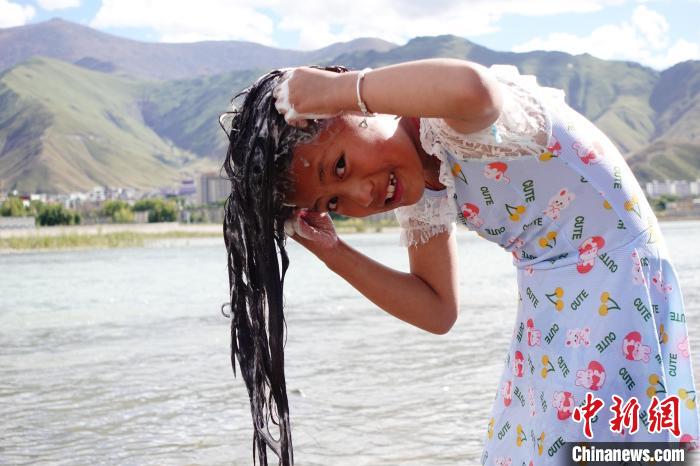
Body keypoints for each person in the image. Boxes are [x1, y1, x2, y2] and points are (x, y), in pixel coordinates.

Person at [221, 58, 700, 465]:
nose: (361, 196)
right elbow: (437, 309)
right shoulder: (425, 189)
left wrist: (335, 89)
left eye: (340, 166)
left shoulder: (448, 121)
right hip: (553, 306)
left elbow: (475, 89)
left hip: (614, 287)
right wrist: (333, 250)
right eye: (333, 203)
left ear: (355, 108)